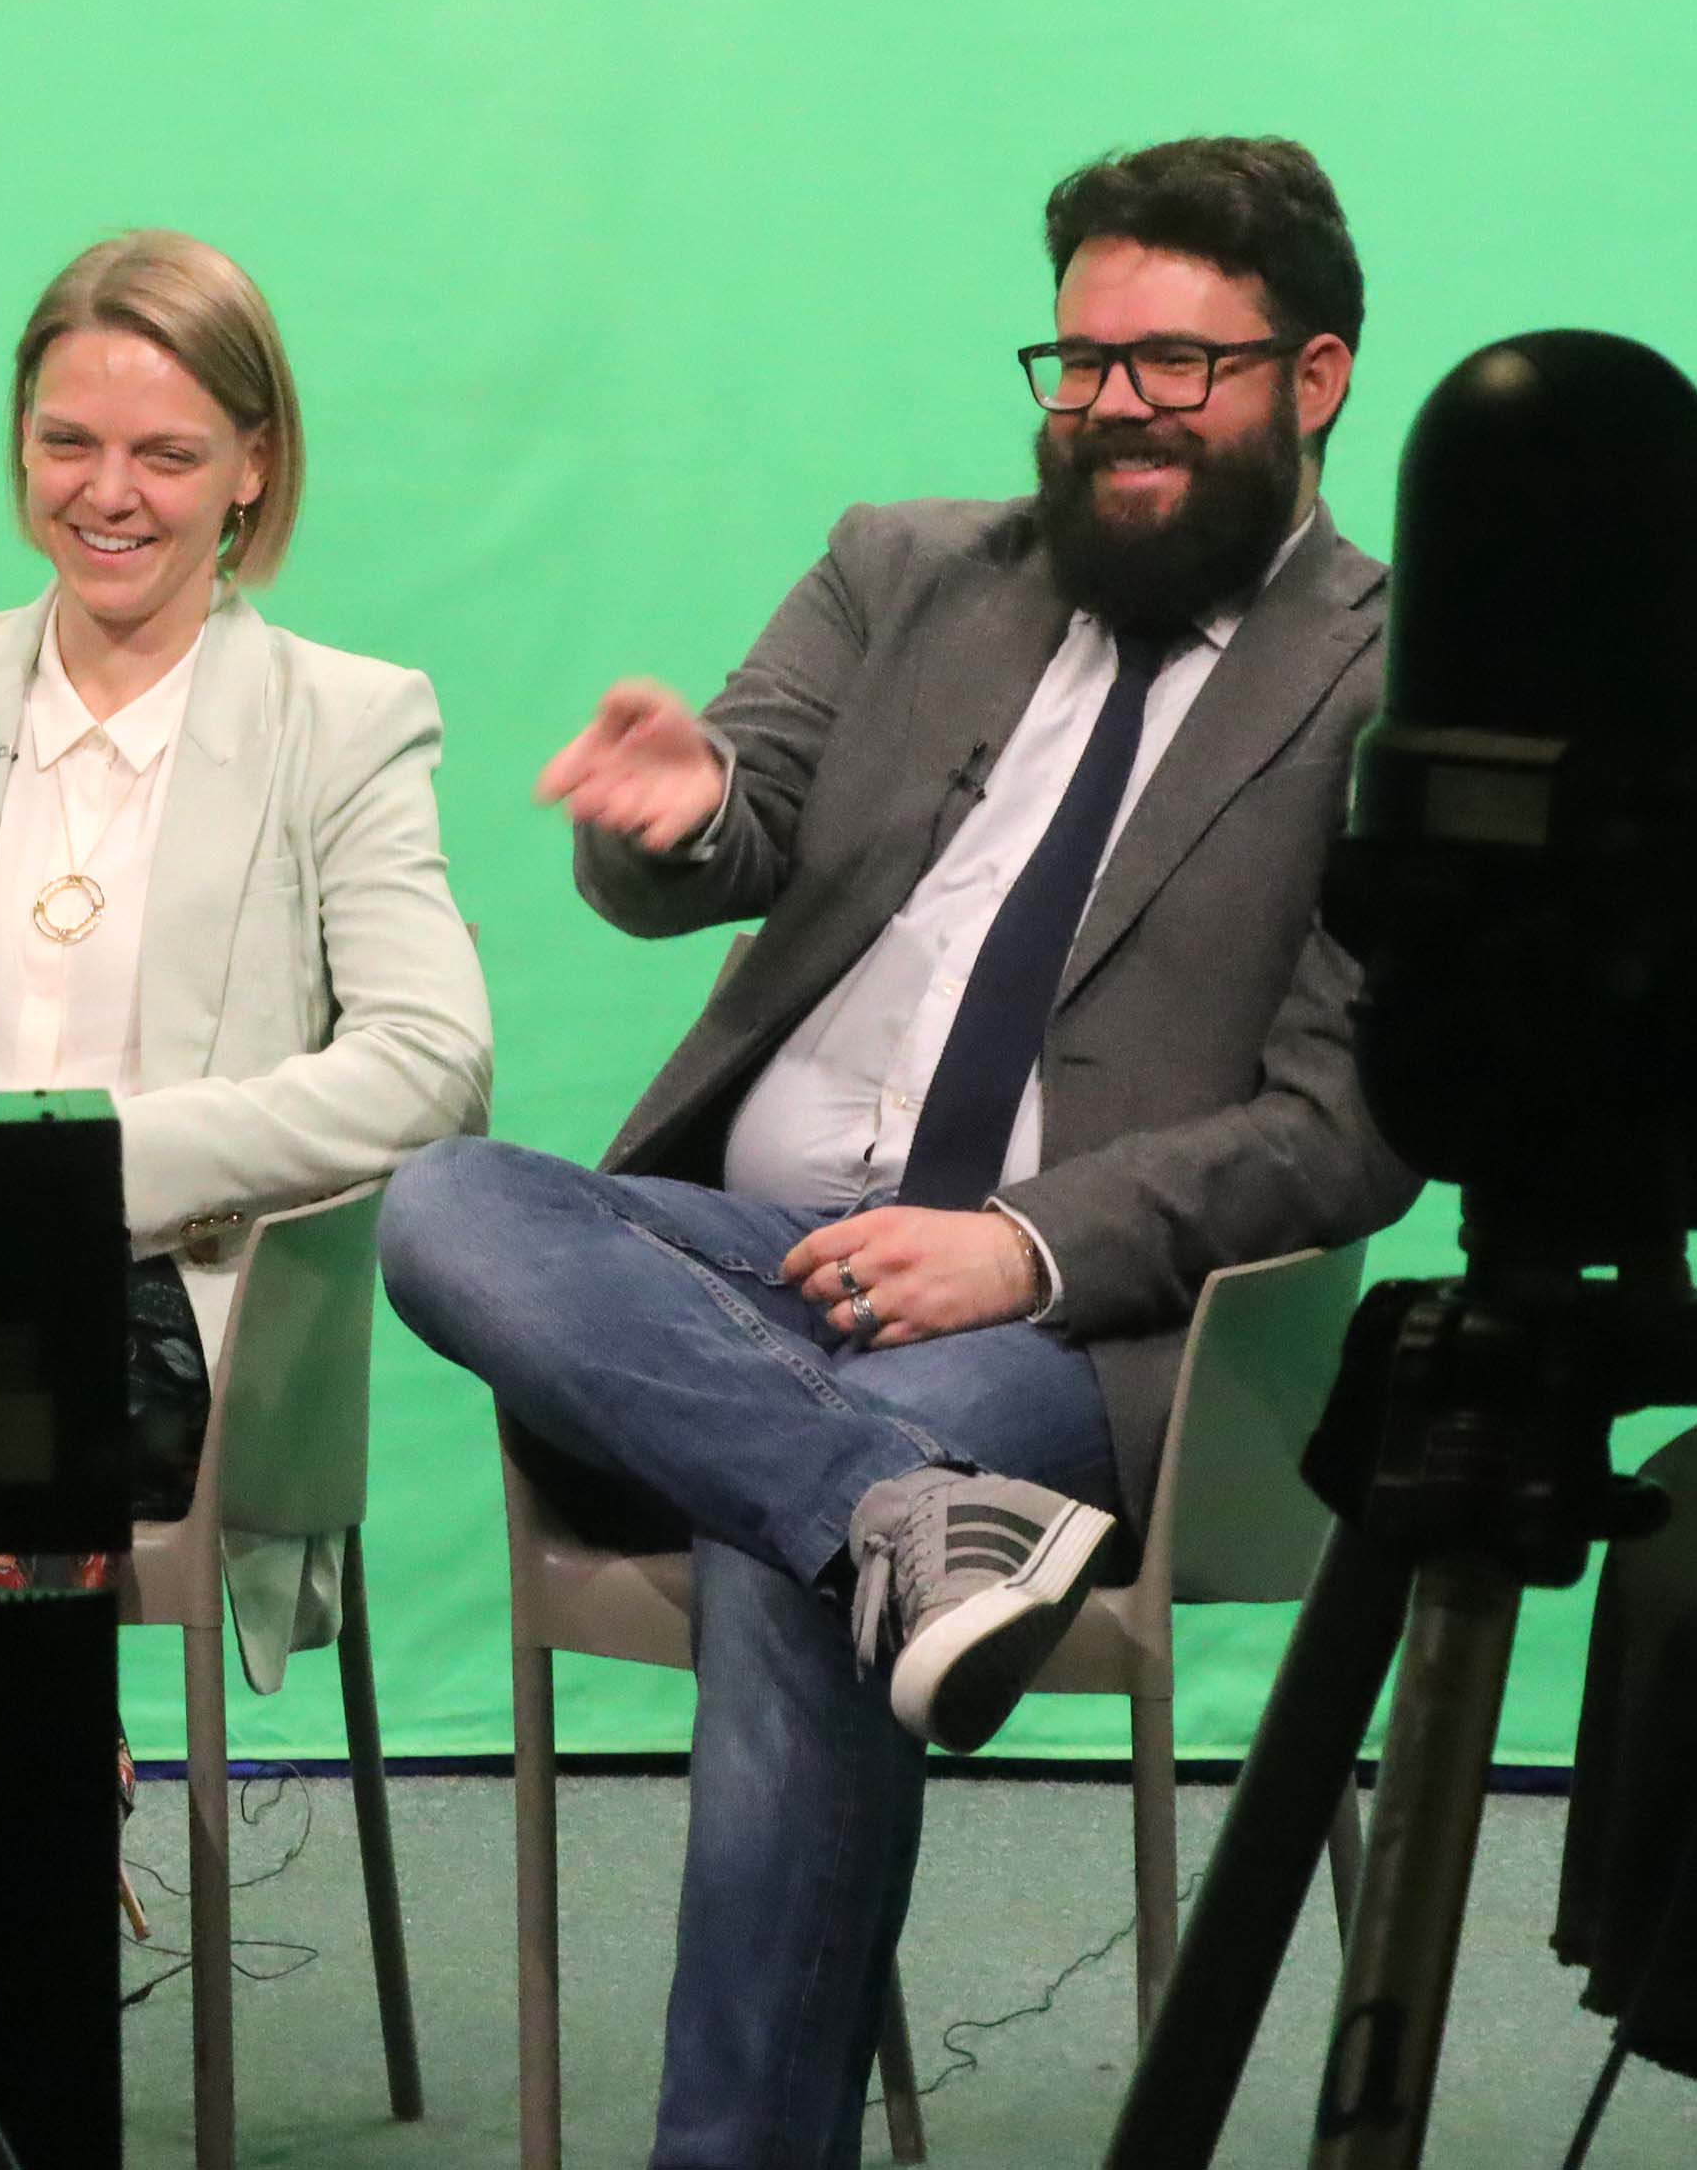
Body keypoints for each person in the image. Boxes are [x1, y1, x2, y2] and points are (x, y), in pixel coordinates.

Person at [377, 135, 1420, 2168]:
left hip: (1083, 1338)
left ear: (1315, 377)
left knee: (810, 1538)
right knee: (449, 1200)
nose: (1116, 404)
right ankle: (889, 1513)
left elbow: (1344, 1129)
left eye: (1177, 363)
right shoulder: (904, 569)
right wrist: (679, 814)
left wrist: (1018, 1244)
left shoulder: (1386, 684)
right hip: (752, 1265)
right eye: (1083, 359)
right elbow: (726, 827)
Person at [0, 227, 492, 1667]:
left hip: (165, 1299)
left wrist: (97, 1170)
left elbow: (433, 1063)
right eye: (69, 443)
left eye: (165, 456)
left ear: (252, 465)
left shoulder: (344, 723)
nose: (107, 495)